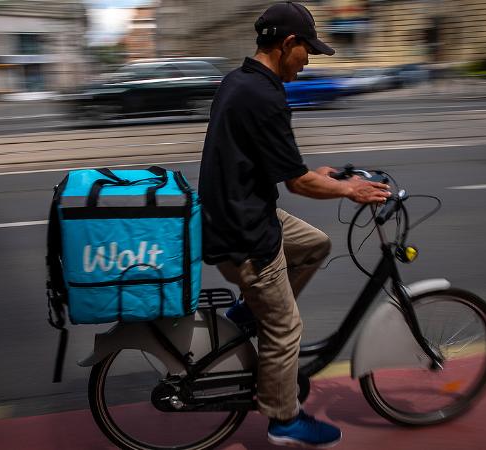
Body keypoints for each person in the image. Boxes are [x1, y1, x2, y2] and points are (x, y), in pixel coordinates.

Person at [198, 2, 390, 447]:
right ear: (288, 44)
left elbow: (267, 162)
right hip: (244, 231)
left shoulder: (239, 80)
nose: (308, 63)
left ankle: (248, 311)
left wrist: (316, 175)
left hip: (233, 209)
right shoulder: (264, 95)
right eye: (308, 52)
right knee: (285, 327)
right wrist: (349, 189)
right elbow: (297, 185)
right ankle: (284, 419)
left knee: (315, 244)